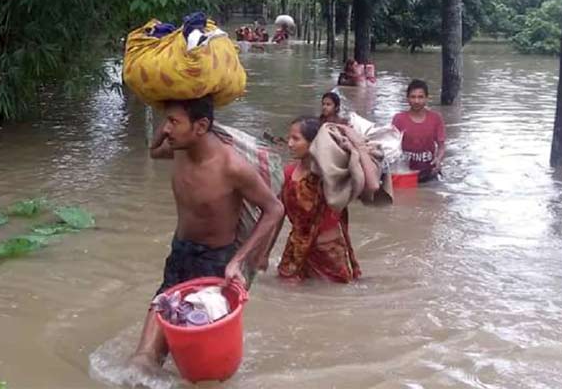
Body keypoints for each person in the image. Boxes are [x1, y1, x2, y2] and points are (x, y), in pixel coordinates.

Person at [130, 95, 285, 372]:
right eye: (166, 121)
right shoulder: (178, 148)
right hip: (180, 251)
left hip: (215, 263)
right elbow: (153, 151)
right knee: (143, 358)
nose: (166, 129)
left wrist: (238, 261)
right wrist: (167, 114)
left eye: (174, 122)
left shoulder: (231, 166)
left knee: (203, 365)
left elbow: (274, 208)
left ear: (200, 126)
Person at [278, 117, 380, 282]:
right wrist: (264, 253)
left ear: (313, 143)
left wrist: (359, 147)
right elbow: (278, 215)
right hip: (296, 250)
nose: (289, 144)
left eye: (296, 139)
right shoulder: (288, 173)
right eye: (289, 138)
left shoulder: (332, 177)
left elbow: (373, 185)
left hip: (329, 253)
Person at [391, 79, 446, 182]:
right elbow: (391, 146)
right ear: (407, 99)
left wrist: (438, 160)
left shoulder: (436, 118)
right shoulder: (398, 119)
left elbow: (441, 146)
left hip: (429, 171)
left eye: (420, 97)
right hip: (405, 172)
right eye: (413, 97)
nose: (416, 101)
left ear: (426, 98)